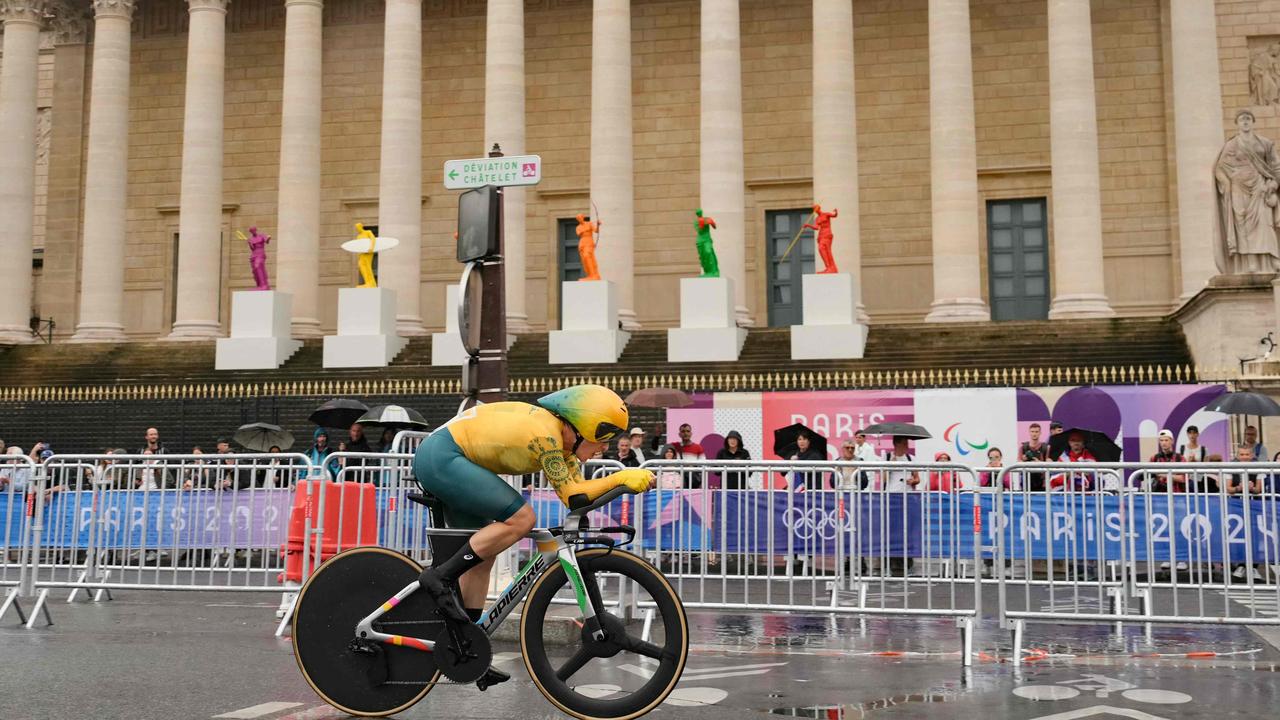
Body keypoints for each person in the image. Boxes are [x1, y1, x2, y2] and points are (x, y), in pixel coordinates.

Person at [412, 384, 653, 688]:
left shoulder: (564, 447)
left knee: (482, 559)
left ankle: (469, 645)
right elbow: (574, 495)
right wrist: (622, 477)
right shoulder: (546, 436)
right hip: (441, 456)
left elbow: (577, 496)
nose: (604, 447)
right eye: (602, 437)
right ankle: (439, 578)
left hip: (452, 457)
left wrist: (618, 485)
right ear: (581, 427)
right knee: (523, 518)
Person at [1019, 423, 1050, 491]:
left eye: (1036, 431)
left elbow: (1049, 464)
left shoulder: (1046, 447)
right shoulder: (1023, 447)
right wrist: (1023, 461)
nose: (1034, 434)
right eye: (1032, 431)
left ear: (1040, 433)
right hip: (1026, 481)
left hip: (1042, 482)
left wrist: (1039, 463)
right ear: (1029, 432)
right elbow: (1018, 463)